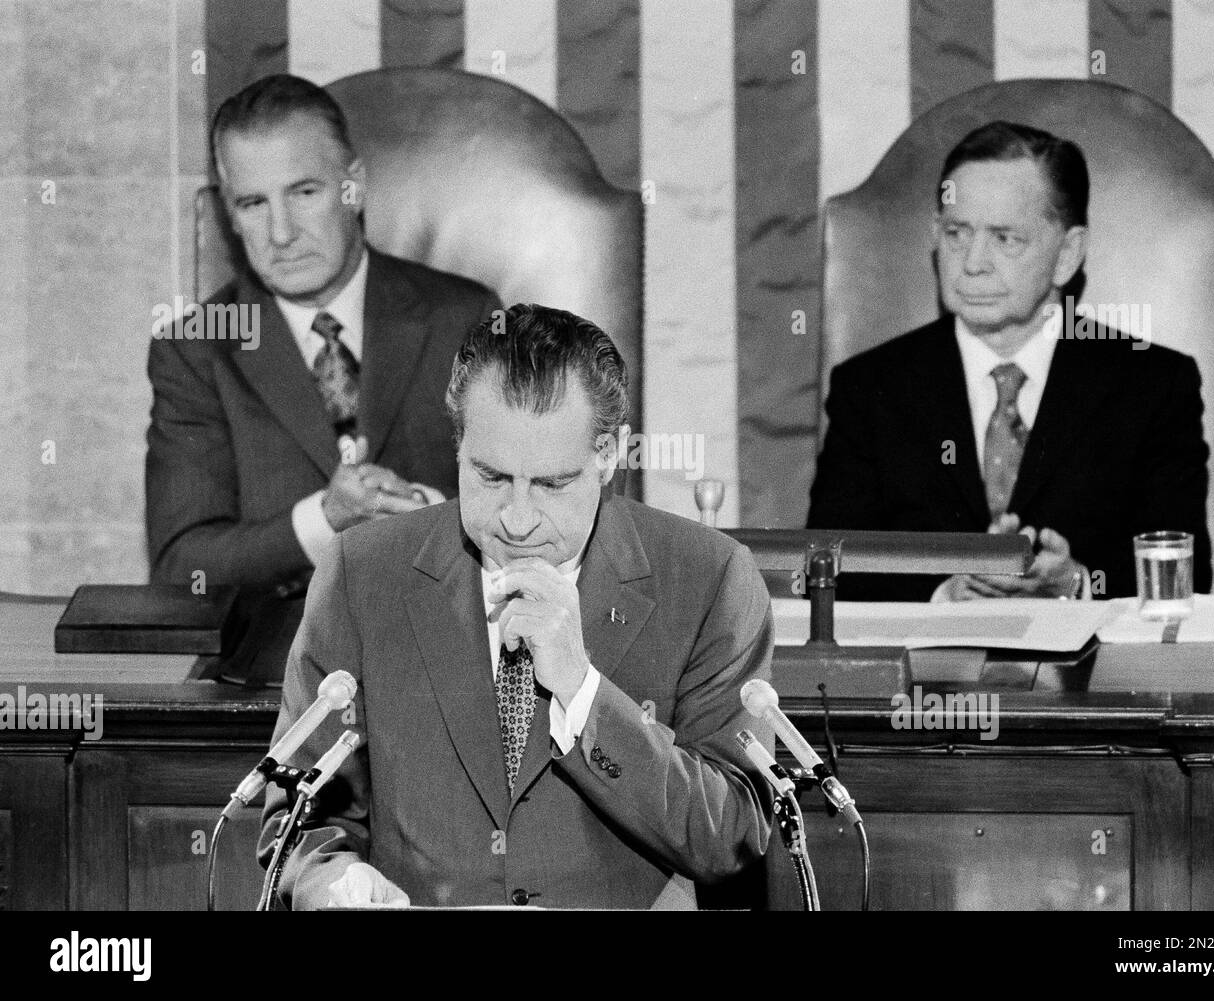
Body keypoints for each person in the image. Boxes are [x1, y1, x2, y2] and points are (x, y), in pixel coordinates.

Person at [259, 304, 775, 909]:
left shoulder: (711, 579)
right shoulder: (361, 572)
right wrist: (330, 884)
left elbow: (730, 835)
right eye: (491, 477)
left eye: (552, 485)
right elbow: (298, 823)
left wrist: (582, 692)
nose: (518, 520)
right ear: (458, 448)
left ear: (609, 455)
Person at [145, 74, 499, 678]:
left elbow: (534, 508)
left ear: (352, 187)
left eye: (304, 192)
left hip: (452, 666)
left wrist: (431, 512)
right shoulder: (196, 349)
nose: (281, 234)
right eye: (253, 204)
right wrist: (325, 518)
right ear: (229, 214)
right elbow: (184, 567)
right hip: (269, 686)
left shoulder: (463, 317)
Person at [808, 121, 1211, 602]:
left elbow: (1181, 575)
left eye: (1005, 238)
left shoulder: (1153, 387)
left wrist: (1077, 582)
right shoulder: (871, 388)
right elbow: (829, 570)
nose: (973, 261)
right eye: (957, 232)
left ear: (1066, 254)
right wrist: (944, 594)